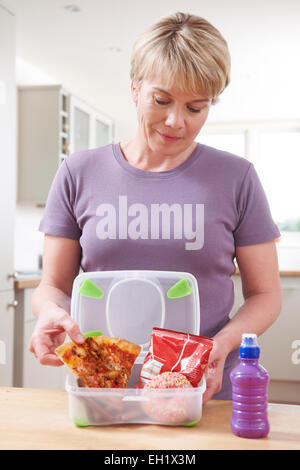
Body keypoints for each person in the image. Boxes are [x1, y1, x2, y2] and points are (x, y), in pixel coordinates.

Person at [29, 11, 281, 403]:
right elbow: (54, 286)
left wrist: (224, 344)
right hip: (103, 391)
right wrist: (49, 312)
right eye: (160, 100)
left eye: (196, 108)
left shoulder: (237, 178)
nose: (175, 121)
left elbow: (266, 294)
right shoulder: (79, 172)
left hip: (202, 389)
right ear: (134, 88)